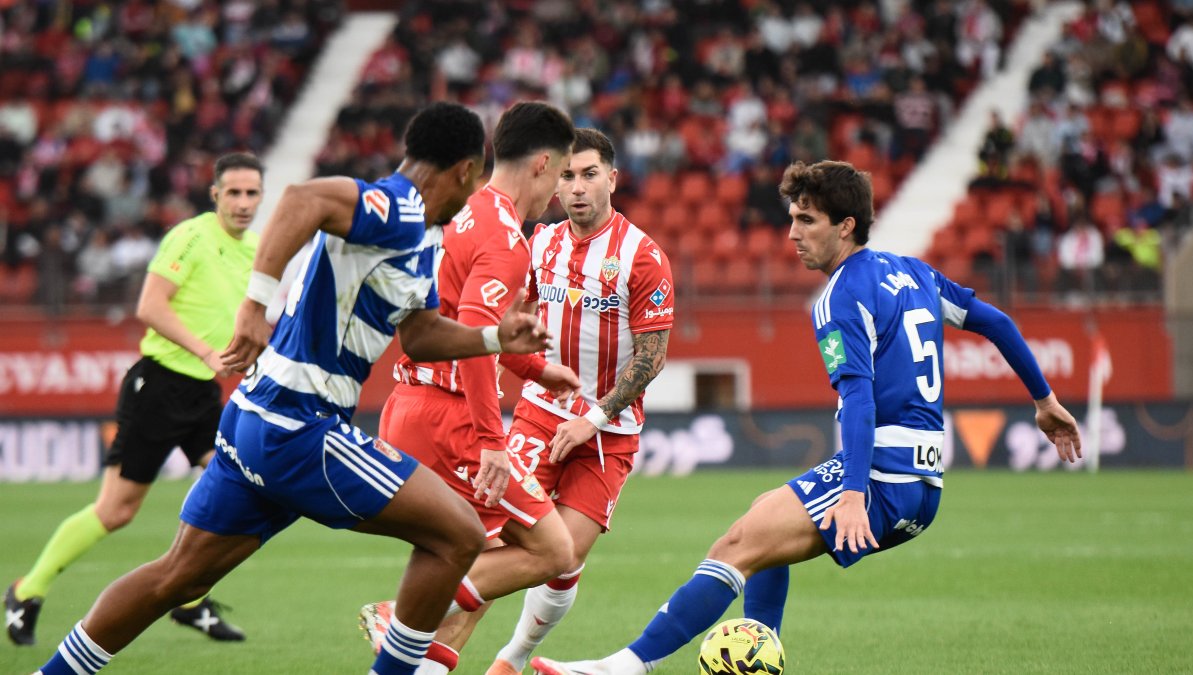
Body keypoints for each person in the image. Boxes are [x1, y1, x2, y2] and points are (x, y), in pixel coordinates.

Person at [31, 102, 552, 675]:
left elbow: (422, 336)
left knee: (177, 576)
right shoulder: (398, 205)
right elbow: (302, 199)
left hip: (256, 416)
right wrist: (255, 304)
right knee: (459, 533)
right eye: (474, 179)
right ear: (463, 171)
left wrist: (494, 338)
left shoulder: (424, 238)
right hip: (301, 424)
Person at [530, 160, 1083, 675]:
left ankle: (623, 667)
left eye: (806, 219)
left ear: (846, 226)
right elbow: (998, 322)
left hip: (882, 478)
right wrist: (1044, 401)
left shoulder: (839, 298)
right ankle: (757, 650)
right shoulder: (914, 273)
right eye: (791, 218)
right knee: (765, 523)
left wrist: (853, 492)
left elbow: (860, 400)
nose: (792, 232)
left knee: (735, 547)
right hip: (926, 480)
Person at [362, 128, 676, 675]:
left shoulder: (642, 257)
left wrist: (595, 417)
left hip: (609, 431)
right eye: (569, 176)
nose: (577, 188)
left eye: (590, 175)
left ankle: (511, 661)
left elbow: (652, 357)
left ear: (613, 179)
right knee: (499, 553)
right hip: (536, 415)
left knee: (565, 559)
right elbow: (498, 329)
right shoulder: (538, 243)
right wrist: (535, 369)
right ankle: (422, 643)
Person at [5, 152, 266, 647]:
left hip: (203, 394)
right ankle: (26, 589)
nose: (243, 203)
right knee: (116, 511)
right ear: (215, 195)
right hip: (159, 387)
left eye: (252, 193)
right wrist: (206, 350)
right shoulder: (189, 237)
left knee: (231, 492)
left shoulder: (255, 249)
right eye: (233, 192)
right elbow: (149, 305)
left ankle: (188, 600)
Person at [358, 101, 582, 671]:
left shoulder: (458, 214)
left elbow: (459, 324)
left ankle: (417, 649)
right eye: (560, 176)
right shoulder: (504, 236)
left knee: (466, 559)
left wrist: (535, 369)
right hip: (451, 419)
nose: (557, 192)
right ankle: (402, 616)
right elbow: (480, 338)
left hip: (410, 402)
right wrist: (491, 438)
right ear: (542, 163)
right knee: (553, 550)